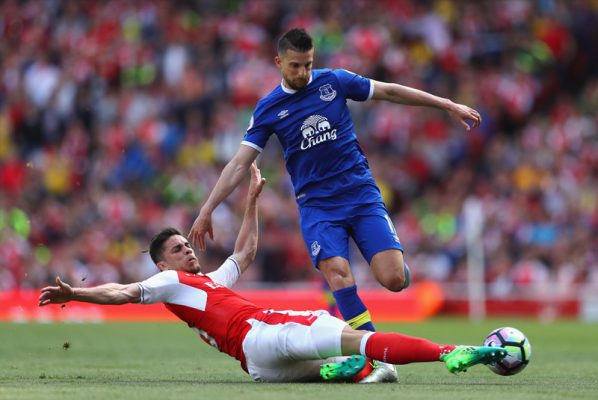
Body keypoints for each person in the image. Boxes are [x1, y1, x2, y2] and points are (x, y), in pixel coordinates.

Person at [188, 28, 482, 381]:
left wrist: (446, 104)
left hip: (360, 194)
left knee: (392, 279)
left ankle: (397, 272)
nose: (302, 73)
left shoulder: (335, 82)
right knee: (338, 273)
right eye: (295, 66)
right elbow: (239, 163)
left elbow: (389, 91)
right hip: (317, 207)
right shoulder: (268, 108)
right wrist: (207, 209)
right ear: (279, 62)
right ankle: (378, 359)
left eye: (308, 64)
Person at [39, 163, 506, 383]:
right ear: (163, 263)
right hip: (262, 334)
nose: (188, 251)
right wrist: (76, 295)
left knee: (356, 366)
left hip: (259, 367)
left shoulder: (204, 285)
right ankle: (449, 352)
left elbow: (245, 252)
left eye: (187, 245)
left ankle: (354, 373)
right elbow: (123, 292)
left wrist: (252, 201)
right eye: (178, 249)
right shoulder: (170, 282)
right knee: (355, 337)